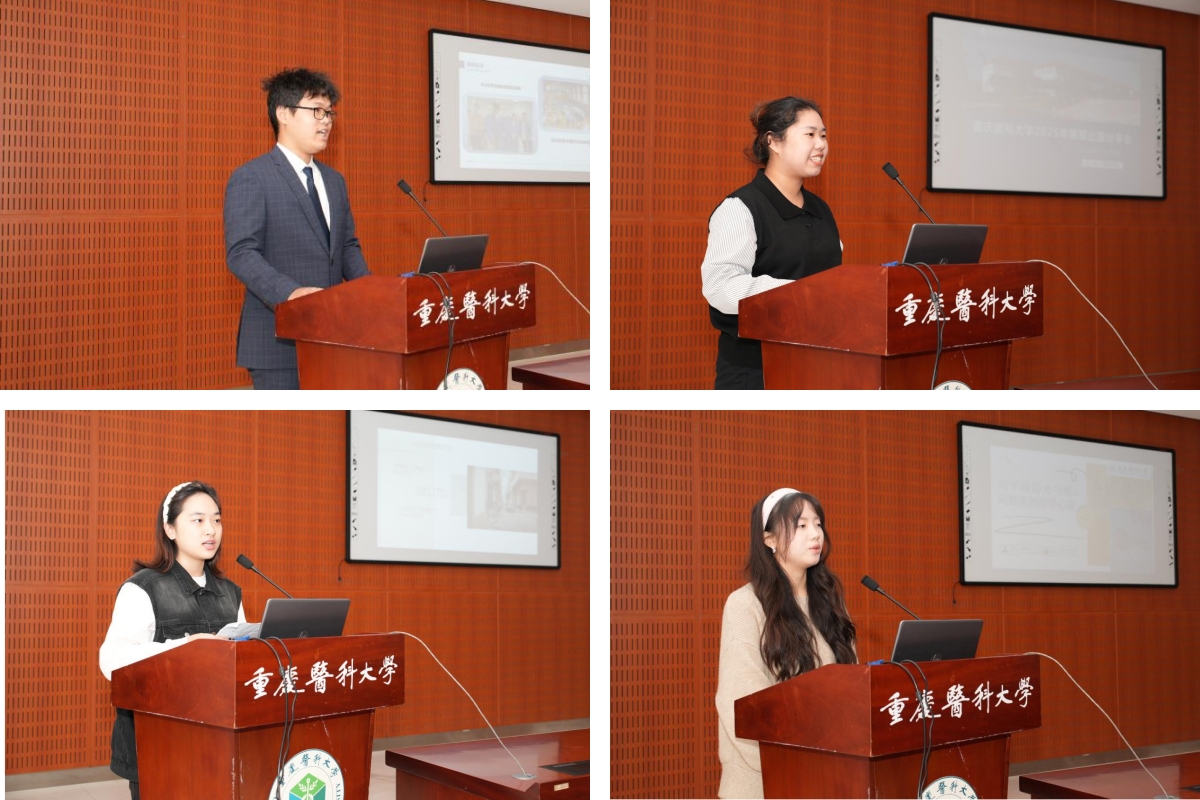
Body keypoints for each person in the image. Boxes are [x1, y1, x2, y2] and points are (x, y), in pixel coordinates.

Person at [224, 68, 371, 390]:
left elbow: (346, 247)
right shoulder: (252, 177)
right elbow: (242, 254)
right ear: (283, 114)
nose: (326, 121)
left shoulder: (334, 181)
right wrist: (291, 294)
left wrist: (374, 293)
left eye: (329, 112)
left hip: (333, 337)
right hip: (278, 343)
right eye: (316, 110)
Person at [100, 482, 245, 799]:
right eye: (198, 520)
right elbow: (112, 661)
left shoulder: (230, 592)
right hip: (158, 744)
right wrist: (186, 647)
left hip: (218, 742)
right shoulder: (142, 588)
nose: (211, 529)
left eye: (216, 520)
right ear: (170, 529)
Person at [715, 489, 857, 798]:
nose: (815, 534)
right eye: (801, 525)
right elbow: (740, 704)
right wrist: (795, 762)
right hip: (765, 783)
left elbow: (850, 691)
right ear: (770, 540)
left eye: (817, 523)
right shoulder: (745, 604)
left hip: (827, 775)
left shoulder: (831, 605)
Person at [701, 97, 843, 390]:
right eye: (810, 134)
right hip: (754, 371)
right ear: (773, 142)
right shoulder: (740, 207)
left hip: (815, 361)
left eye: (823, 135)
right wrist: (800, 294)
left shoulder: (821, 209)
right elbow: (721, 288)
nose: (821, 144)